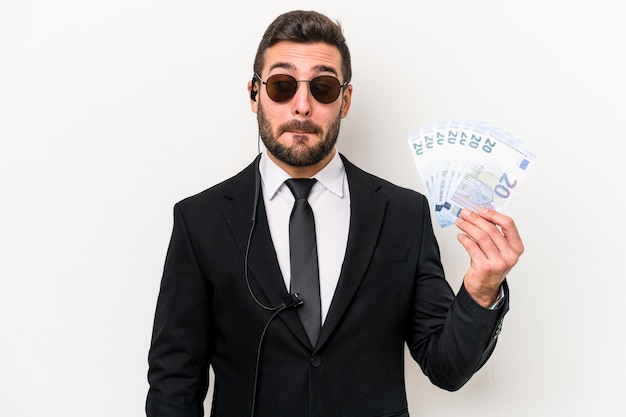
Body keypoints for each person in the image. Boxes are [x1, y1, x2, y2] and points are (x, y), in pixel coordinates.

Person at [146, 9, 524, 417]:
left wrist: (482, 290)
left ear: (344, 101)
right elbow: (173, 385)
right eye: (282, 85)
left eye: (323, 87)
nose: (302, 106)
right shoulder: (199, 220)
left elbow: (446, 367)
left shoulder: (402, 214)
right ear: (255, 95)